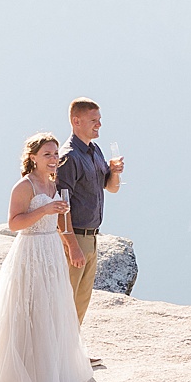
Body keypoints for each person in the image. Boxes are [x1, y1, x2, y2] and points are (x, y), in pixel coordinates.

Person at [0, 132, 92, 382]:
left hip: (51, 253)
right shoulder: (24, 186)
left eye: (56, 155)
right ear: (32, 157)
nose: (53, 159)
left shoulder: (52, 184)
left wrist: (69, 243)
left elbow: (60, 221)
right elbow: (14, 223)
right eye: (47, 155)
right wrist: (44, 212)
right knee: (28, 310)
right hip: (30, 252)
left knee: (51, 310)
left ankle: (50, 377)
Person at [57, 97, 125, 322]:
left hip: (92, 237)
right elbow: (61, 207)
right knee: (66, 300)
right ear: (76, 121)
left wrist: (114, 172)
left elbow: (111, 188)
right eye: (93, 120)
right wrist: (72, 246)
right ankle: (59, 354)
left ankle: (72, 353)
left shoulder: (94, 150)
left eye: (99, 119)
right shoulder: (68, 157)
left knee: (81, 301)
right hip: (75, 236)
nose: (99, 125)